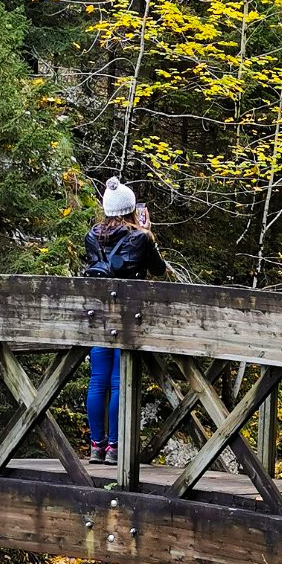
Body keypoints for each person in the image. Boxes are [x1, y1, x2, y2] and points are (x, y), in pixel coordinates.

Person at [84, 177, 166, 464]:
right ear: (132, 209)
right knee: (119, 382)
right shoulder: (140, 238)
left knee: (97, 382)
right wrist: (147, 232)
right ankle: (115, 448)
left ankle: (96, 446)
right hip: (130, 316)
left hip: (99, 315)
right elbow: (159, 270)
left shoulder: (92, 236)